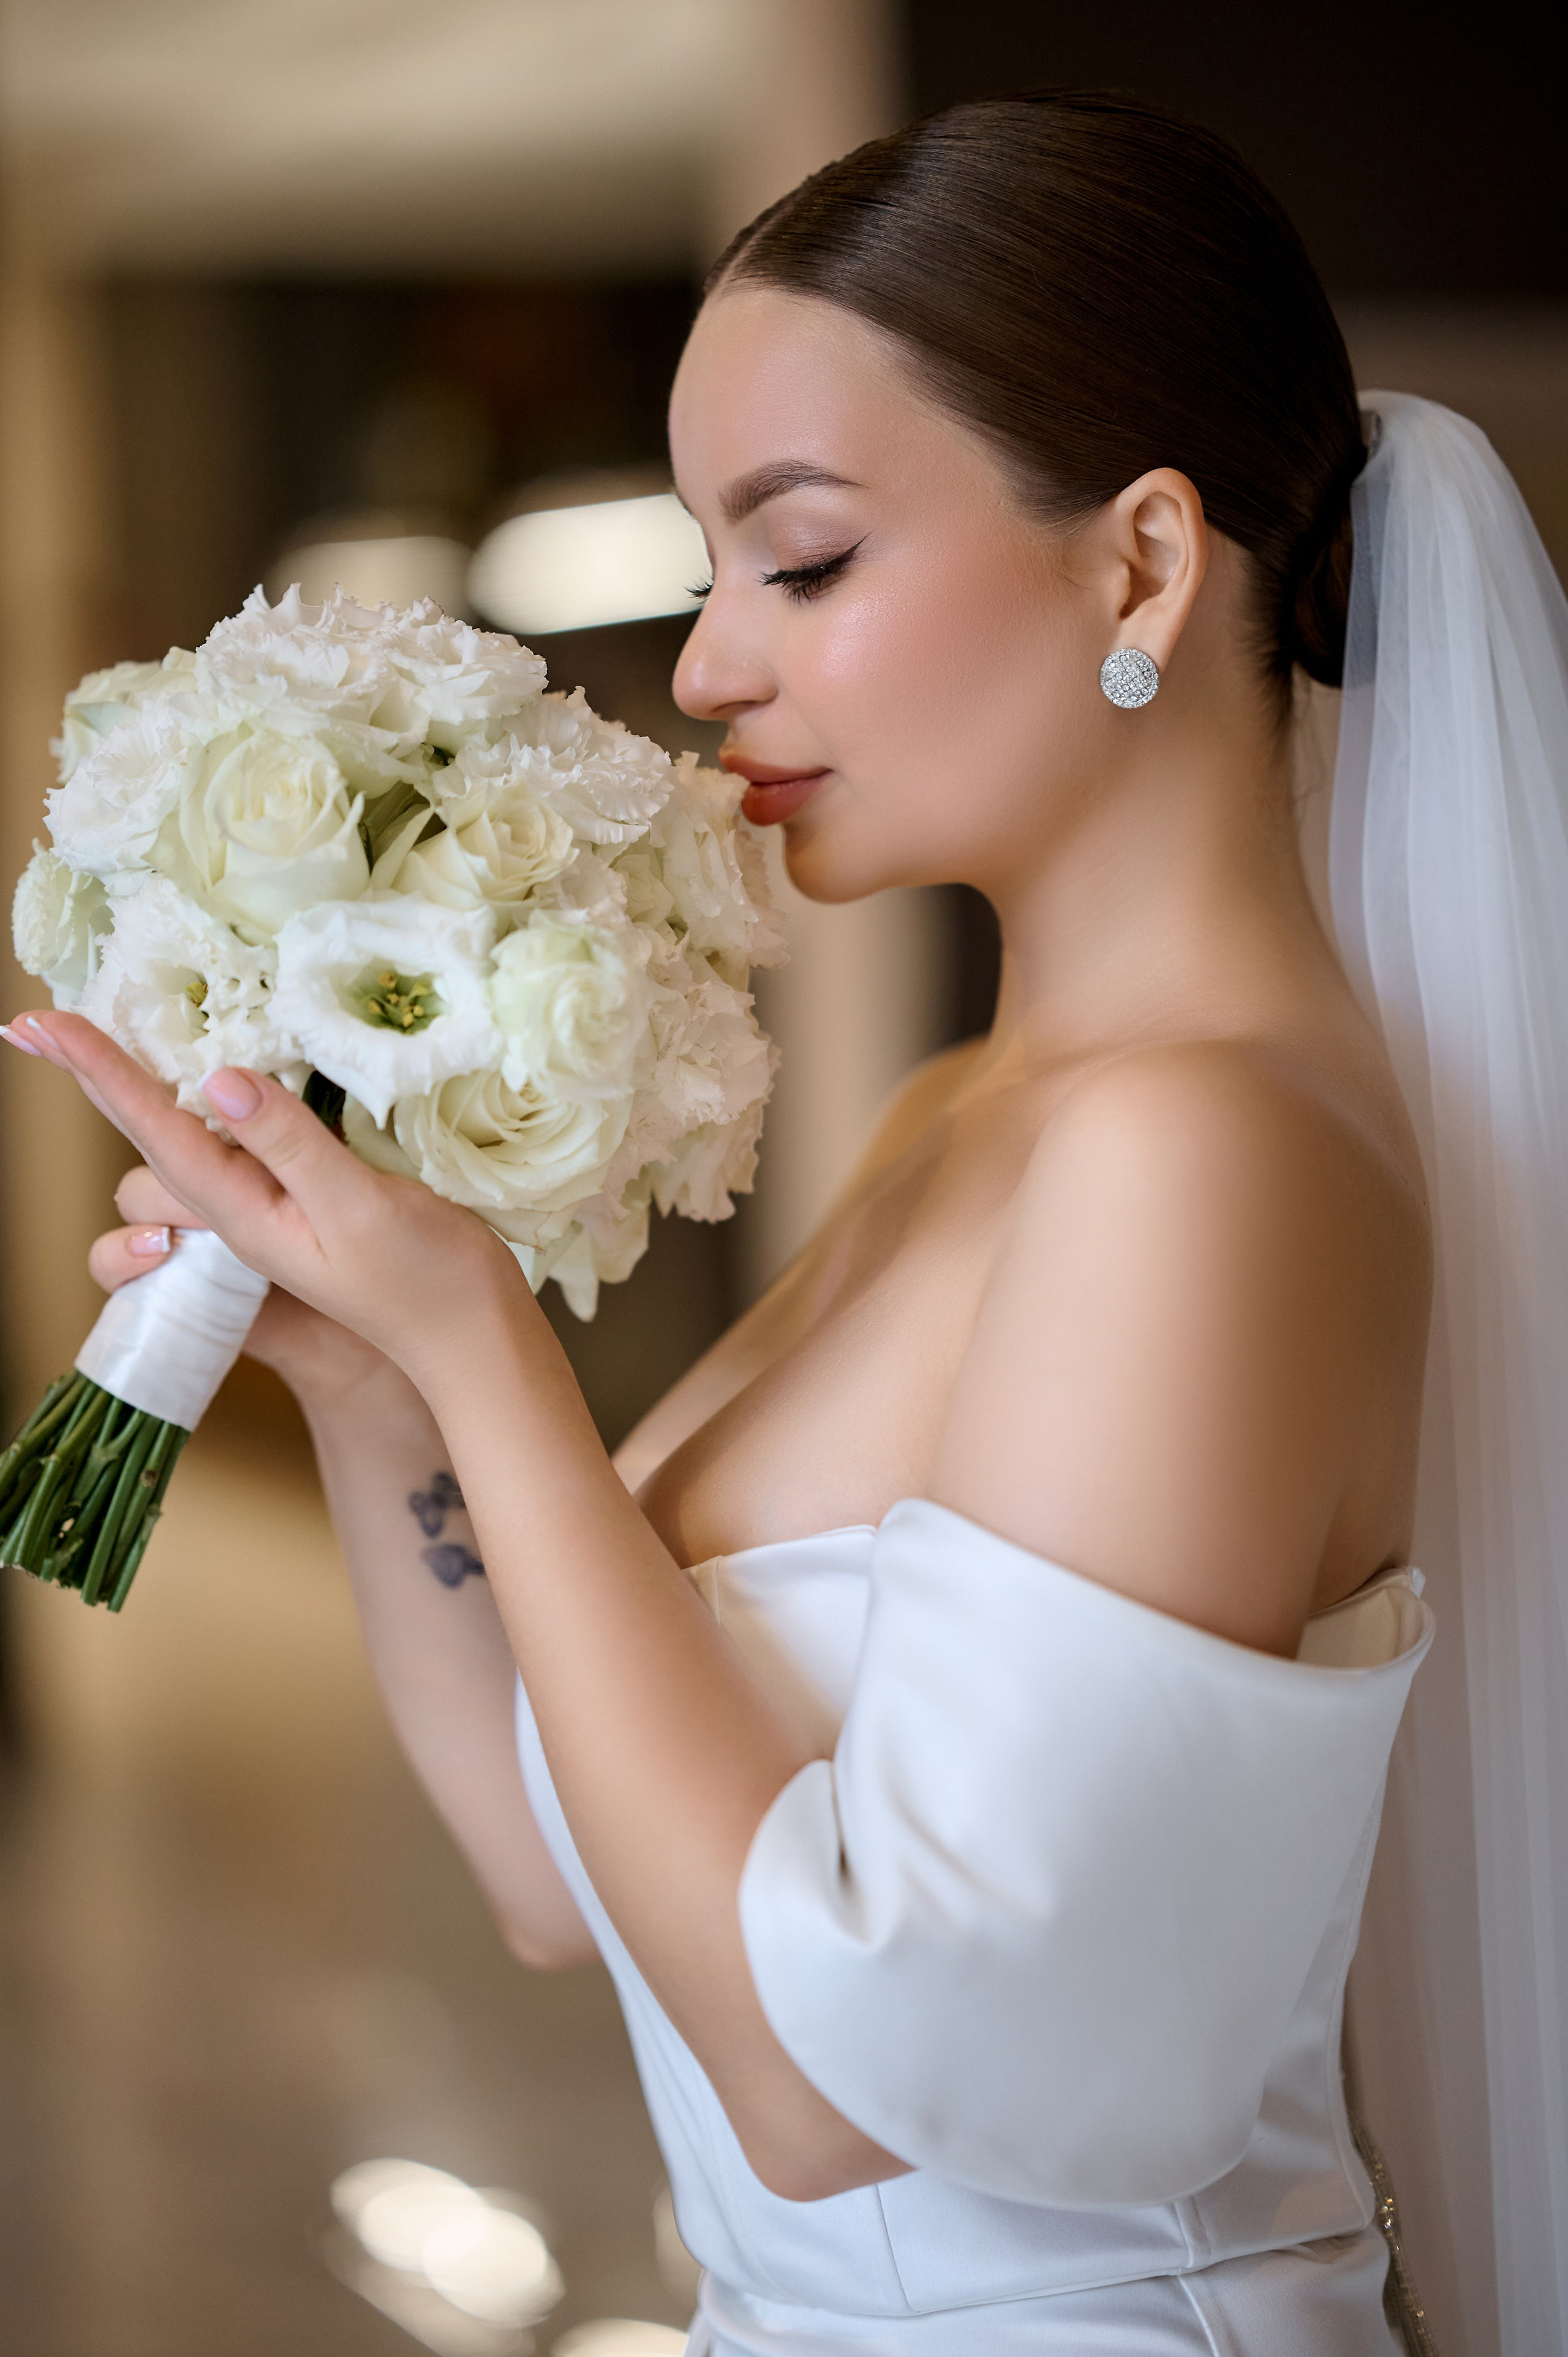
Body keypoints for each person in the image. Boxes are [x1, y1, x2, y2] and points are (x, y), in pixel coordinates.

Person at [12, 92, 1568, 2357]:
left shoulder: (1211, 1157)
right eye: (709, 562)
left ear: (1143, 566)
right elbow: (574, 1880)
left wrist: (488, 1354)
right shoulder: (966, 1116)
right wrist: (370, 1382)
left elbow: (854, 2085)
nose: (713, 665)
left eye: (806, 559)